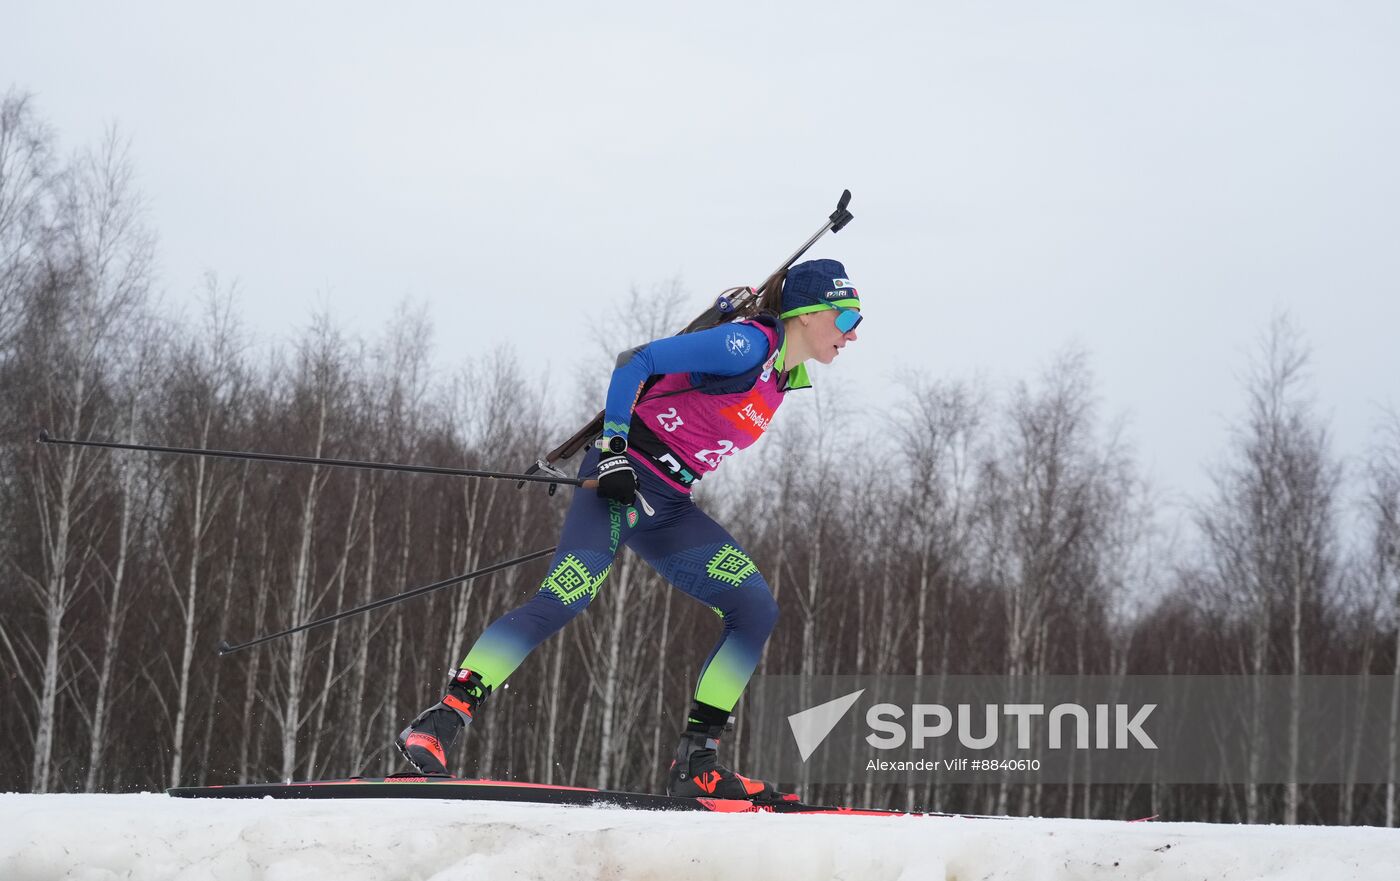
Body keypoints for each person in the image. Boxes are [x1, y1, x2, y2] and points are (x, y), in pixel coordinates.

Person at [395, 258, 862, 802]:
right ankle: (440, 721)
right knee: (567, 594)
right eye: (846, 316)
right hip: (622, 478)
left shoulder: (783, 376)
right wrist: (614, 450)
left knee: (754, 607)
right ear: (806, 314)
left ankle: (697, 762)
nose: (852, 334)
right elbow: (636, 361)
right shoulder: (747, 346)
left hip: (670, 504)